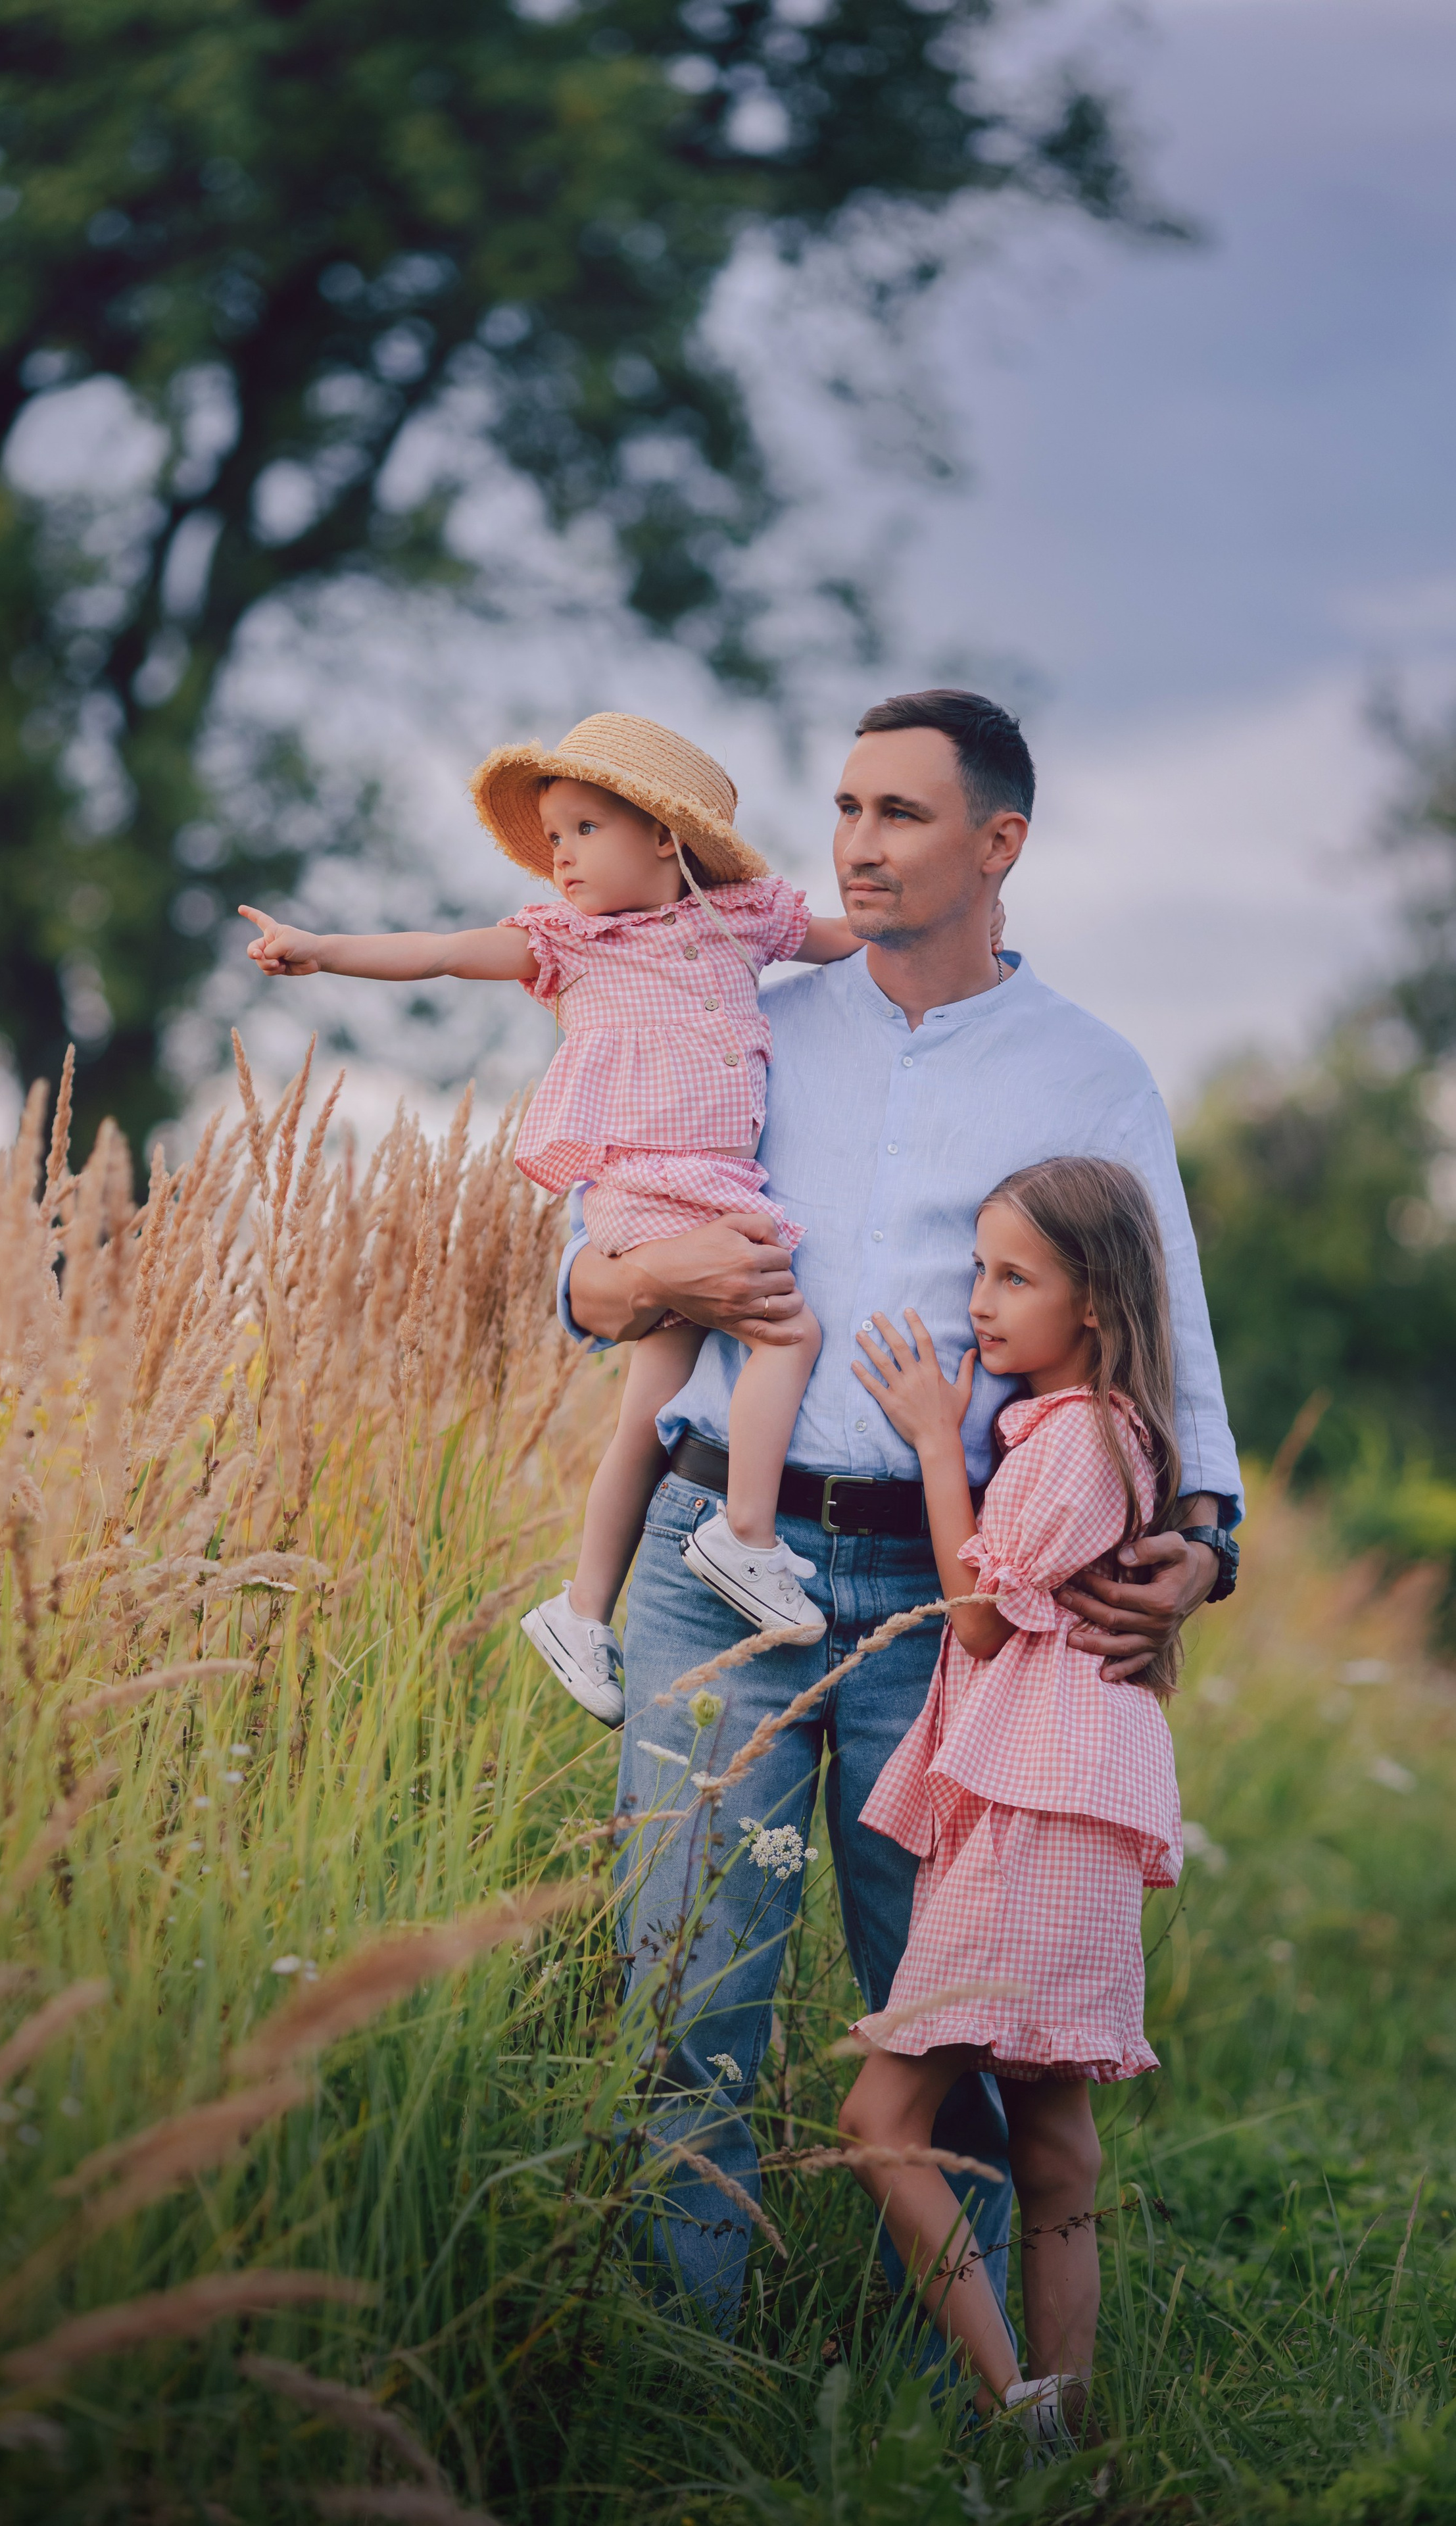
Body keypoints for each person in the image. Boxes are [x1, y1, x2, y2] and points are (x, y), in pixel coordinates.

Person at [560, 689, 1240, 2339]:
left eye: (901, 815)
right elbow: (587, 1283)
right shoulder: (747, 1016)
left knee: (949, 2016)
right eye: (846, 809)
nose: (854, 846)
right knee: (687, 1995)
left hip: (959, 1609)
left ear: (998, 845)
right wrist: (666, 1269)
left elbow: (1176, 1351)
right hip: (712, 1558)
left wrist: (1204, 1539)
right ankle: (681, 2387)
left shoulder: (1088, 1074)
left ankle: (955, 2422)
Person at [239, 711, 867, 1725]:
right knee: (787, 1328)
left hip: (702, 1187)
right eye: (554, 836)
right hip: (658, 1188)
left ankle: (583, 1611)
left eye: (583, 829)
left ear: (665, 836)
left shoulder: (738, 920)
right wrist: (323, 950)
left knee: (649, 1416)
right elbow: (442, 953)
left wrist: (934, 930)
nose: (561, 857)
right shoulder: (567, 946)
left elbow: (844, 941)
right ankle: (744, 1535)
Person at [838, 1154, 1184, 2444]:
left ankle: (1015, 2401)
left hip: (1037, 1814)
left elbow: (978, 1621)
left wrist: (935, 1441)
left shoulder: (1074, 1436)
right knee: (1054, 2157)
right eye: (976, 1269)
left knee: (878, 2120)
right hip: (1066, 1803)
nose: (978, 1303)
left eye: (1012, 1276)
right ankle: (1071, 2437)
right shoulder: (1096, 1433)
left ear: (1091, 1299)